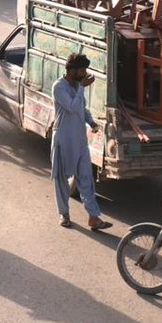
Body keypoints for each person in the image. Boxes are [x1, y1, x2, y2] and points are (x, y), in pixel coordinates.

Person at [51, 53, 112, 231]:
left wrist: (90, 121)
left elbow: (81, 109)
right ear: (72, 70)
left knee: (86, 178)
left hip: (79, 141)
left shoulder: (77, 86)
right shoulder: (59, 87)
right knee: (61, 179)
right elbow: (72, 107)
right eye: (82, 69)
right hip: (64, 139)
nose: (85, 73)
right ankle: (64, 214)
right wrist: (82, 88)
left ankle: (94, 217)